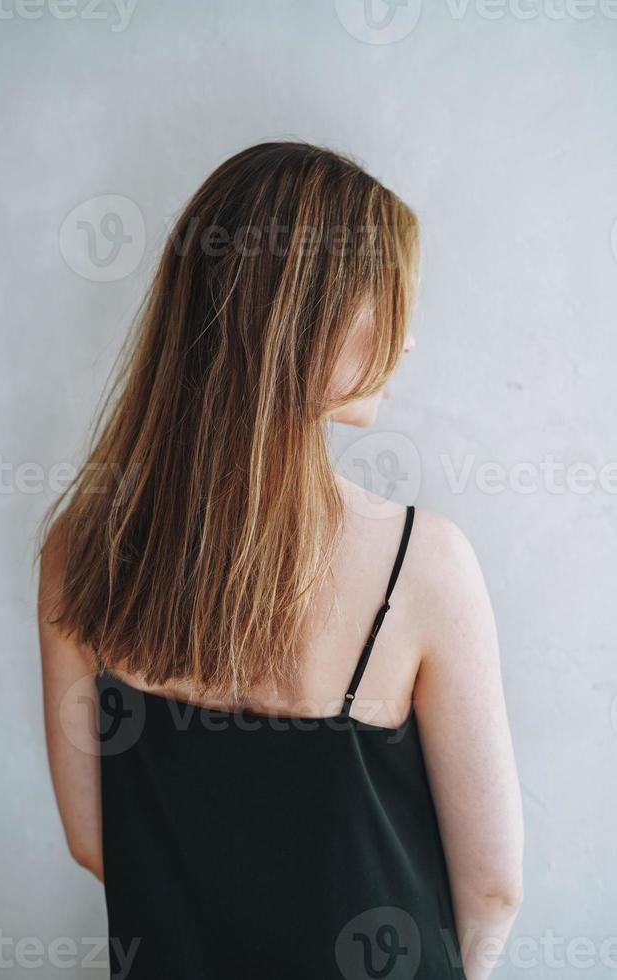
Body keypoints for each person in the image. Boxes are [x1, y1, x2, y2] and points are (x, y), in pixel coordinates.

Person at [38, 141, 523, 980]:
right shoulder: (422, 565)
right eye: (389, 303)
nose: (406, 343)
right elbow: (493, 890)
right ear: (299, 315)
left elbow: (93, 839)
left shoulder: (81, 548)